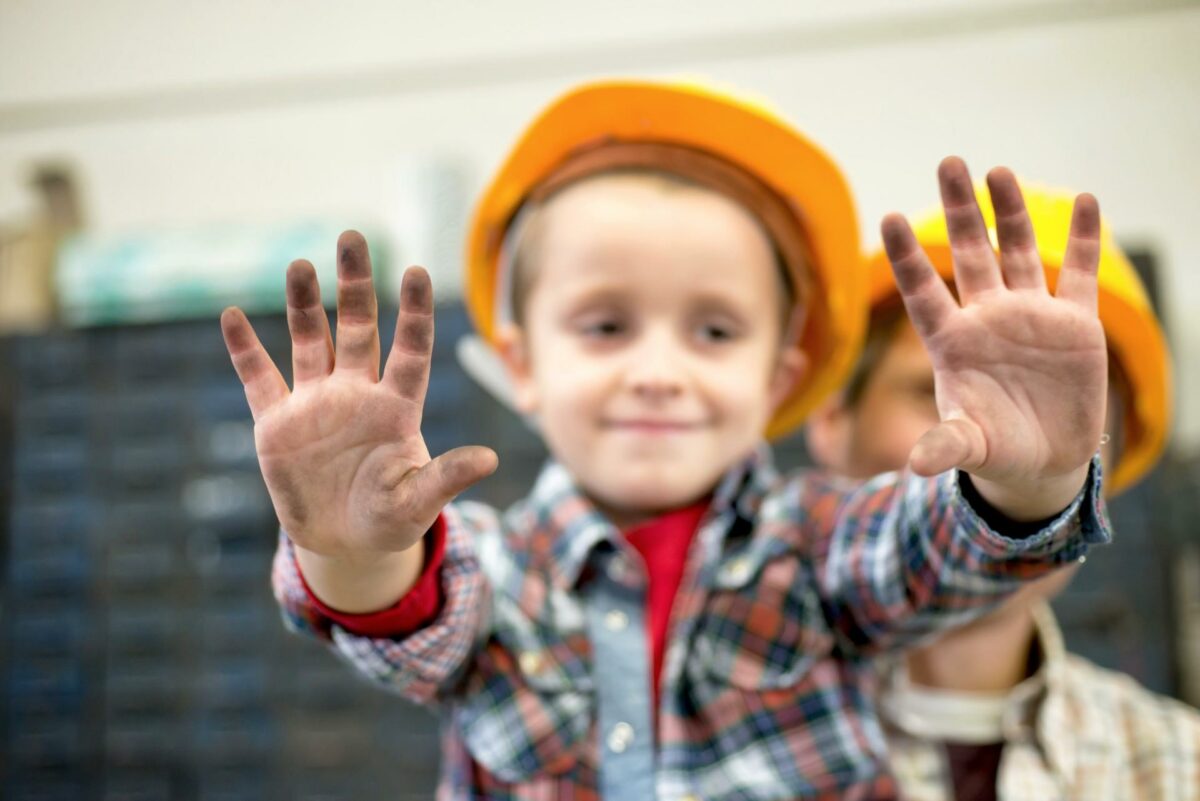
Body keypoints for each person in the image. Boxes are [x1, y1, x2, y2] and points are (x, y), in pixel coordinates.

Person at [221, 80, 1114, 799]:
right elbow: (412, 617)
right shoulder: (498, 566)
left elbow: (935, 549)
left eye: (715, 332)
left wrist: (1036, 481)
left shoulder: (818, 543)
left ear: (777, 380)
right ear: (522, 363)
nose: (658, 370)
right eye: (606, 326)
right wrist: (346, 551)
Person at [806, 182, 1200, 801]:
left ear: (1101, 479)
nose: (1005, 446)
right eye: (940, 389)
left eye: (1071, 412)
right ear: (832, 420)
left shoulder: (1181, 766)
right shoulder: (713, 730)